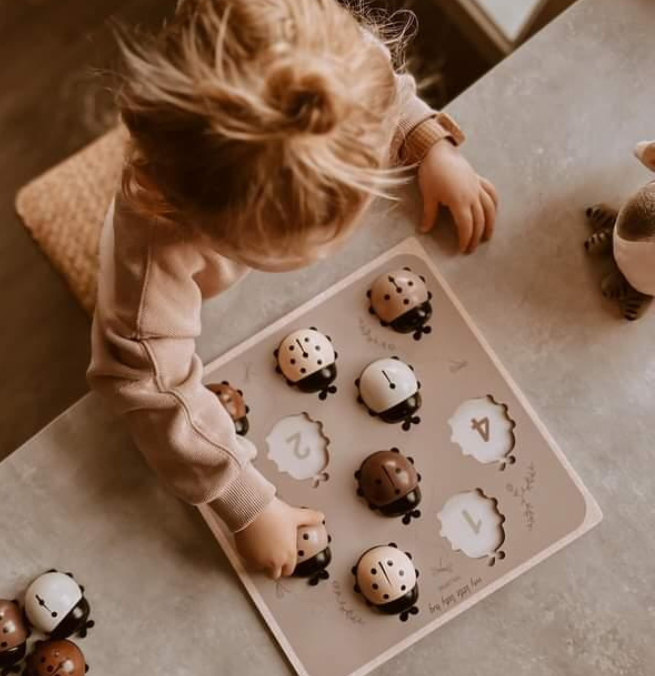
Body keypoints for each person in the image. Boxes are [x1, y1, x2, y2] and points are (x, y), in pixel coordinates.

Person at [88, 0, 498, 579]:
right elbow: (149, 386)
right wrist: (246, 502)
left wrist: (425, 141)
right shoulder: (158, 252)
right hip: (192, 315)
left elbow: (384, 96)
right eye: (295, 248)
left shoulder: (333, 74)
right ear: (209, 225)